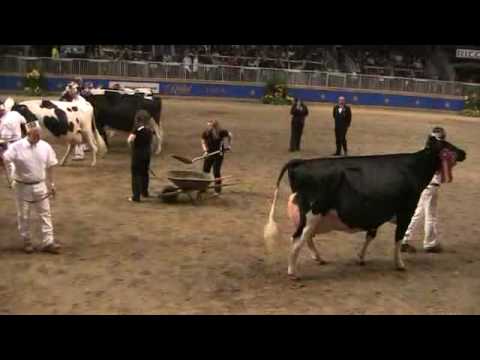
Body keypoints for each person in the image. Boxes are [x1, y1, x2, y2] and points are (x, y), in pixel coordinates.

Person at [2, 121, 60, 254]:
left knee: (45, 213)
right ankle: (26, 241)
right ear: (27, 134)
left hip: (40, 185)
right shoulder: (16, 147)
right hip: (22, 187)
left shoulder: (45, 146)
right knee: (24, 215)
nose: (38, 136)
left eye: (39, 134)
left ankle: (49, 242)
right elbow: (5, 159)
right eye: (35, 134)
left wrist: (51, 184)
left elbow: (51, 165)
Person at [401, 127, 447, 254]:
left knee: (418, 213)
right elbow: (445, 174)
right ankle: (429, 243)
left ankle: (405, 239)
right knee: (430, 214)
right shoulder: (440, 152)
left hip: (423, 185)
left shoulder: (425, 150)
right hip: (432, 185)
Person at [127, 110, 153, 202]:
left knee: (136, 175)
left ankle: (136, 196)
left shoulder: (136, 130)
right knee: (145, 173)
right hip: (147, 154)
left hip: (138, 155)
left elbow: (129, 140)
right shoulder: (150, 130)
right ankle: (144, 192)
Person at [201, 120, 232, 195]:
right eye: (210, 126)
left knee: (216, 171)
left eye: (213, 126)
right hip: (209, 153)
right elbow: (203, 141)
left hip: (219, 153)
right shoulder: (206, 132)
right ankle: (203, 187)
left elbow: (230, 135)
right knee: (205, 170)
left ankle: (217, 190)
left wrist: (229, 145)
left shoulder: (221, 132)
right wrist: (205, 151)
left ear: (216, 126)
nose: (211, 128)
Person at [0, 98, 27, 184]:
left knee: (10, 163)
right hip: (18, 141)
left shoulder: (3, 119)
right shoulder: (15, 113)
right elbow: (24, 121)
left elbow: (4, 136)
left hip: (7, 142)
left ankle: (14, 181)